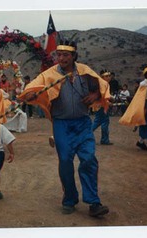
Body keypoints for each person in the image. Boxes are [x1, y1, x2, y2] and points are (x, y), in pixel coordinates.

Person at [18, 40, 110, 217]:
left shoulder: (85, 72)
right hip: (61, 124)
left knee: (89, 159)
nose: (61, 58)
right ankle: (69, 199)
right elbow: (31, 89)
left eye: (66, 55)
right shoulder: (49, 74)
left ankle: (93, 202)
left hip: (83, 123)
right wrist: (30, 94)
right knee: (66, 161)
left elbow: (101, 86)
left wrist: (95, 95)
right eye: (59, 55)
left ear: (74, 56)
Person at [119, 64, 147, 153]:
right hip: (145, 105)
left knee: (146, 123)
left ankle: (141, 142)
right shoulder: (143, 84)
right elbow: (140, 97)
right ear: (146, 75)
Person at [92, 69, 113, 145]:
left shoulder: (102, 83)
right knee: (100, 122)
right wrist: (108, 102)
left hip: (101, 105)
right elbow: (102, 96)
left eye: (109, 76)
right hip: (102, 106)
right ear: (102, 77)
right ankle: (85, 135)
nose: (108, 77)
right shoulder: (104, 84)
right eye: (106, 76)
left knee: (102, 122)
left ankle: (104, 139)